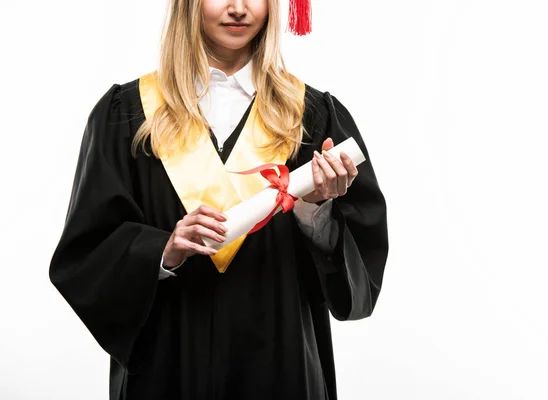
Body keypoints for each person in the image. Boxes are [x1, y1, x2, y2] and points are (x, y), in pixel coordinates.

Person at [49, 0, 388, 399]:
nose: (239, 8)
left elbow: (359, 275)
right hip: (168, 363)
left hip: (281, 363)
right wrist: (162, 250)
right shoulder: (128, 113)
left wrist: (316, 208)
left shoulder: (311, 116)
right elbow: (86, 252)